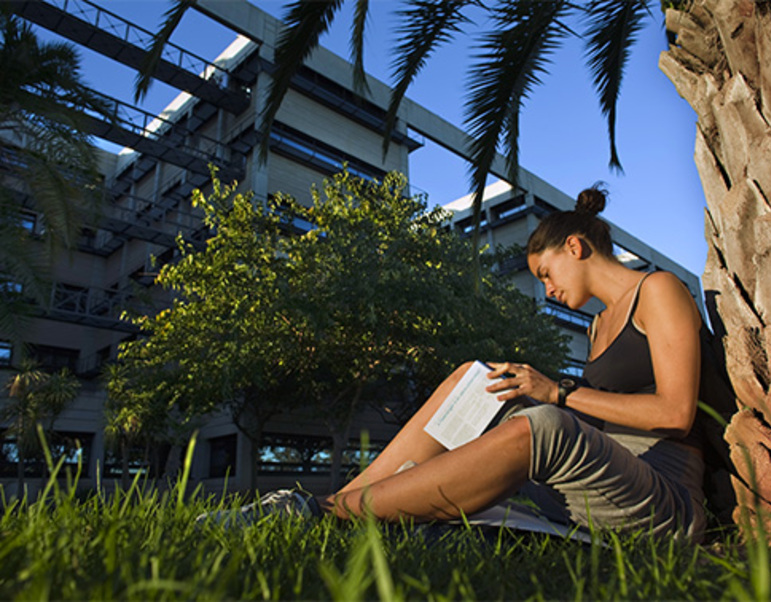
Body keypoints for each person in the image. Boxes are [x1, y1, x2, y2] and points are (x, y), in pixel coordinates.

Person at [202, 184, 707, 542]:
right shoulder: (599, 326)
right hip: (593, 489)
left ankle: (323, 513)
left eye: (547, 273)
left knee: (543, 423)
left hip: (660, 499)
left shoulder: (658, 290)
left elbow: (676, 413)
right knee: (475, 379)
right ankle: (322, 507)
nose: (548, 290)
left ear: (575, 247)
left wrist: (557, 392)